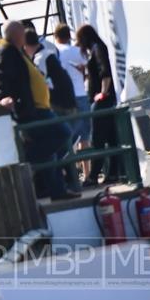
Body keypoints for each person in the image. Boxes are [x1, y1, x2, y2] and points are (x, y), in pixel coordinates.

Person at [0, 30, 79, 200]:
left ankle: (31, 166)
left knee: (60, 138)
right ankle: (53, 188)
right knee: (58, 141)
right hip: (30, 111)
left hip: (32, 110)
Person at [24, 28, 80, 191]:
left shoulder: (40, 59)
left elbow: (41, 84)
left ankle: (60, 183)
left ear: (25, 45)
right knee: (61, 146)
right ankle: (67, 181)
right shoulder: (47, 53)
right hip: (68, 104)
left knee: (54, 146)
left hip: (60, 106)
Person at [76, 24, 120, 186]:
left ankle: (94, 175)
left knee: (98, 139)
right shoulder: (96, 48)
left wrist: (103, 92)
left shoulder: (97, 48)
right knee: (111, 138)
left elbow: (105, 71)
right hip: (104, 99)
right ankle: (112, 173)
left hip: (102, 101)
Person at [54, 23, 92, 181]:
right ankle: (88, 173)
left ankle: (71, 174)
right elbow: (86, 74)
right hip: (81, 94)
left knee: (67, 137)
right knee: (84, 138)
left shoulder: (55, 53)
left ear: (56, 36)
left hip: (65, 99)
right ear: (69, 35)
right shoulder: (79, 52)